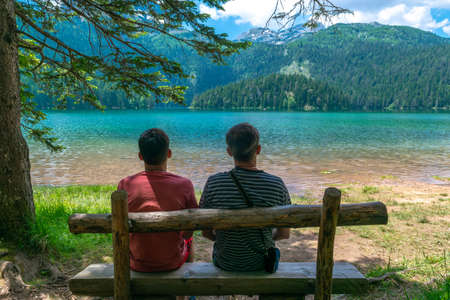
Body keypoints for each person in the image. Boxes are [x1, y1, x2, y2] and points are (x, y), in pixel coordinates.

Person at [200, 123, 291, 271]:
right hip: (262, 263)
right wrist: (265, 238)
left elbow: (206, 232)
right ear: (258, 149)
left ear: (229, 151)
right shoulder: (276, 185)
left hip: (225, 262)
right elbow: (284, 233)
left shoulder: (214, 183)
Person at [117, 128, 198, 273]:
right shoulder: (184, 185)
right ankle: (185, 293)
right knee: (190, 241)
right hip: (172, 262)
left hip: (137, 262)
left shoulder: (125, 184)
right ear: (169, 153)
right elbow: (188, 233)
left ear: (140, 156)